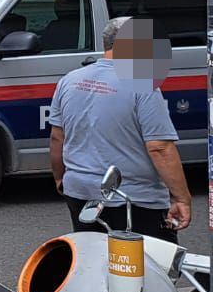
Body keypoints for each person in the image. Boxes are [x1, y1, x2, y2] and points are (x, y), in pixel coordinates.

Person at [50, 16, 191, 243]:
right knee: (146, 270)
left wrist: (61, 178)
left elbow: (57, 137)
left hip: (80, 192)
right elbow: (160, 147)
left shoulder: (69, 80)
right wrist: (181, 198)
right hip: (134, 199)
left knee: (94, 262)